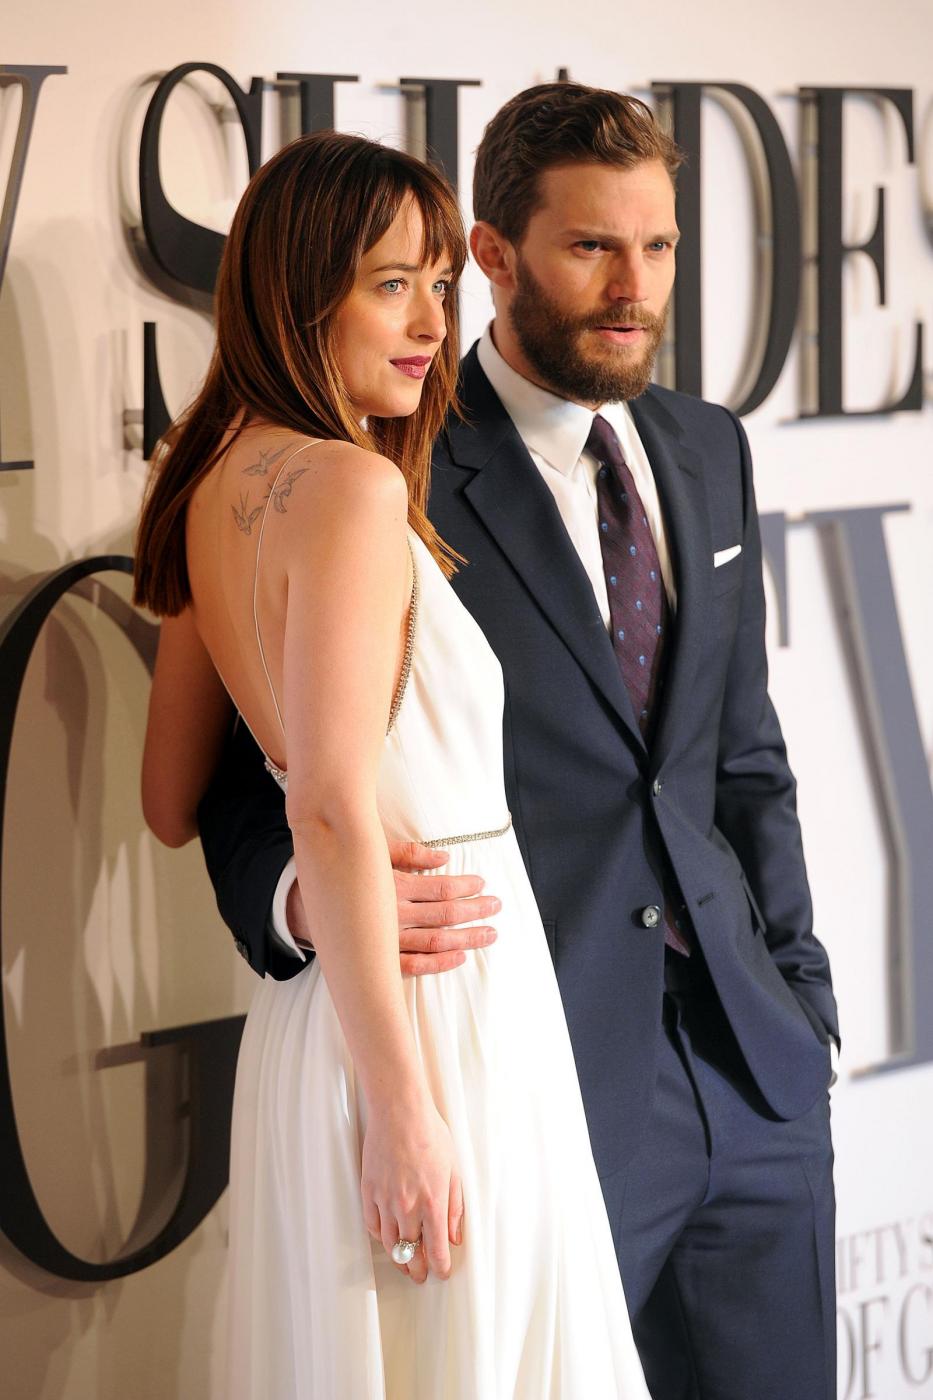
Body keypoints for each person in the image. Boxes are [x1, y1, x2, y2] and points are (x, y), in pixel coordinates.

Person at [197, 84, 841, 1400]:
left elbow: (743, 759)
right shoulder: (386, 456)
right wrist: (300, 899)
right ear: (496, 253)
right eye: (592, 246)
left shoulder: (707, 448)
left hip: (752, 1073)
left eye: (657, 246)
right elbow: (245, 779)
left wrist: (799, 992)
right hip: (531, 1073)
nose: (634, 287)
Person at [134, 131, 650, 1398]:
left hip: (325, 1024)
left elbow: (168, 797)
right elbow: (325, 799)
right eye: (391, 285)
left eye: (440, 283)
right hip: (431, 1026)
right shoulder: (351, 490)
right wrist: (406, 1111)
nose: (432, 324)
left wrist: (313, 896)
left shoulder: (199, 481)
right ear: (300, 292)